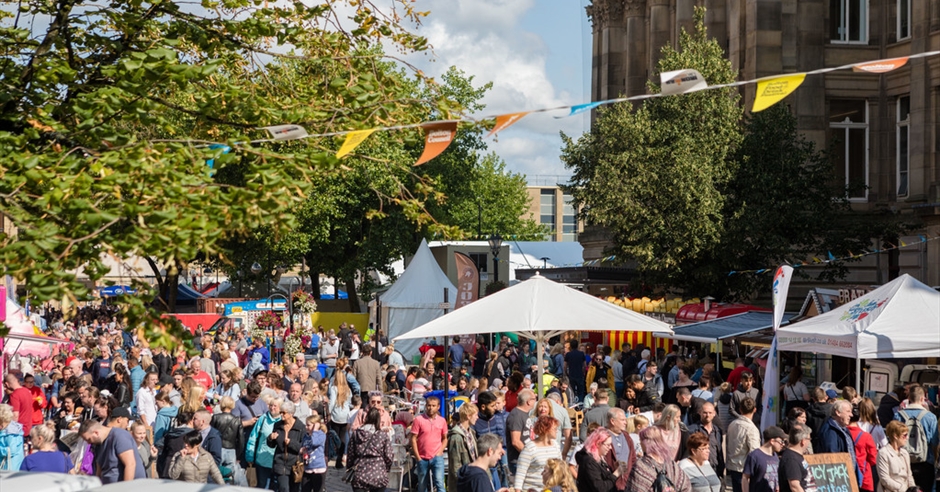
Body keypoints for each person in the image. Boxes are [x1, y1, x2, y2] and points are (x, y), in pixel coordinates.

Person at [894, 384, 938, 492]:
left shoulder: (898, 416)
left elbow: (893, 439)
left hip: (903, 462)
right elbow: (935, 441)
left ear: (908, 398)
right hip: (926, 462)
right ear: (923, 399)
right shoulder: (930, 417)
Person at [79, 418, 147, 484]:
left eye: (89, 439)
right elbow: (99, 470)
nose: (88, 443)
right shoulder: (97, 444)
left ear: (96, 433)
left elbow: (130, 464)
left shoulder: (119, 436)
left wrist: (126, 489)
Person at [627, 425, 693, 492]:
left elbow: (634, 489)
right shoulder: (671, 465)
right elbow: (686, 486)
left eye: (641, 440)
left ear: (646, 442)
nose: (640, 443)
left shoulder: (641, 466)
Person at [817, 400, 862, 487]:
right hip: (838, 481)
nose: (851, 415)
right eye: (848, 411)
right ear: (838, 413)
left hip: (846, 477)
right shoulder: (830, 431)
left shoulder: (843, 429)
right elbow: (832, 458)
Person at [347, 407, 393, 492]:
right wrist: (386, 468)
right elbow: (389, 456)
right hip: (378, 474)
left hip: (360, 473)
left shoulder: (356, 434)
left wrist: (349, 466)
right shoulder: (382, 436)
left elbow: (350, 454)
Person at [514, 415, 562, 491]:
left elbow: (560, 469)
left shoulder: (555, 445)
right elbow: (520, 474)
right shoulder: (530, 448)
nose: (557, 431)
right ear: (546, 429)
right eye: (555, 429)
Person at [410, 396, 447, 492]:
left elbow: (445, 439)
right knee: (422, 486)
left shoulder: (442, 420)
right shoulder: (418, 420)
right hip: (422, 457)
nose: (431, 408)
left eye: (433, 405)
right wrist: (418, 457)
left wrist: (440, 451)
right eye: (429, 405)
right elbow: (413, 439)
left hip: (437, 457)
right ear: (426, 406)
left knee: (440, 484)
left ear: (438, 407)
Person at [269, 400, 305, 492]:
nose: (281, 415)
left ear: (291, 413)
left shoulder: (301, 428)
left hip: (295, 465)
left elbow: (303, 447)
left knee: (294, 489)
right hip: (280, 463)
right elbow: (272, 445)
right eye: (280, 412)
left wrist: (291, 443)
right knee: (283, 488)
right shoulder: (277, 425)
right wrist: (270, 438)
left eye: (283, 413)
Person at [247, 396, 283, 490]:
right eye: (271, 405)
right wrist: (250, 454)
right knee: (263, 487)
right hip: (262, 460)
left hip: (277, 461)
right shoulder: (263, 418)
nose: (272, 408)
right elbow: (253, 437)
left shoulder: (284, 421)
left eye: (275, 406)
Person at [727, 396, 762, 492]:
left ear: (740, 410)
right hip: (745, 470)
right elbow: (755, 452)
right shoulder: (752, 428)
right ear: (755, 410)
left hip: (733, 466)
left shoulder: (732, 424)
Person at [211, 395, 247, 485]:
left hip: (218, 449)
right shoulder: (237, 420)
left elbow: (211, 434)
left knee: (216, 474)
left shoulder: (215, 417)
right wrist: (239, 455)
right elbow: (241, 440)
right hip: (231, 450)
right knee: (229, 476)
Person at [742, 426, 786, 492]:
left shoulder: (775, 456)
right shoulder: (754, 456)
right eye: (781, 441)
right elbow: (745, 477)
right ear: (772, 441)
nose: (783, 444)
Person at [448, 402, 479, 492]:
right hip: (463, 484)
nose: (477, 417)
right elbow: (455, 466)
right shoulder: (456, 437)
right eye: (476, 415)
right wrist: (464, 482)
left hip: (472, 479)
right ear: (468, 416)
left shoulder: (471, 432)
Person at [876, 421, 916, 492]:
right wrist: (903, 489)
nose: (907, 438)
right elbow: (884, 479)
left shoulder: (905, 453)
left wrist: (913, 489)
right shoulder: (883, 453)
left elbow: (909, 475)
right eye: (904, 435)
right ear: (895, 436)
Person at [328, 358, 353, 468]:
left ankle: (334, 454)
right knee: (343, 438)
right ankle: (340, 459)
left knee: (335, 436)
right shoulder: (348, 389)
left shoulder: (334, 388)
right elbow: (350, 401)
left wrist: (328, 412)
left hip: (336, 415)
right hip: (345, 415)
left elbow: (332, 402)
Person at [779, 424, 817, 492]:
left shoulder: (796, 456)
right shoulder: (791, 459)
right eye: (809, 439)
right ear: (803, 441)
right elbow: (795, 486)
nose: (809, 442)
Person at [847, 406, 877, 492]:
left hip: (846, 473)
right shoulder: (866, 436)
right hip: (864, 475)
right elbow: (873, 459)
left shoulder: (842, 433)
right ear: (859, 418)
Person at [507, 388, 535, 472]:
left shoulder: (524, 414)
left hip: (526, 460)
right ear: (528, 401)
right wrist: (530, 456)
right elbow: (516, 442)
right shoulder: (516, 415)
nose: (535, 401)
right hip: (519, 461)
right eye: (534, 399)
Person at [300, 415, 327, 492]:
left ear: (316, 425)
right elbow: (303, 445)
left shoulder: (321, 435)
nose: (306, 427)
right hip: (308, 467)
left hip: (318, 468)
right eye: (306, 425)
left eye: (308, 425)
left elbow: (315, 442)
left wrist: (315, 430)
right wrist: (302, 450)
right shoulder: (306, 436)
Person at [0, 404, 25, 471]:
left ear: (2, 420)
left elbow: (11, 451)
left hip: (11, 467)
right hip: (11, 464)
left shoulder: (11, 433)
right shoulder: (10, 428)